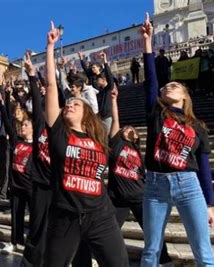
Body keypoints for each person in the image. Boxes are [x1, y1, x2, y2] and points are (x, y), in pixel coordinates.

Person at [43, 21, 128, 266]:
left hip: (101, 214)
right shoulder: (59, 132)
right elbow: (50, 87)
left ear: (87, 113)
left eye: (76, 103)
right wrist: (50, 47)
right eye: (67, 103)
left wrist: (113, 102)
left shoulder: (98, 137)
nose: (69, 103)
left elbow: (116, 128)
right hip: (66, 216)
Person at [139, 13, 214, 266]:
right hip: (155, 185)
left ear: (185, 95)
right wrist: (148, 42)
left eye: (174, 85)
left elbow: (204, 167)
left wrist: (209, 204)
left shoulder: (198, 127)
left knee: (203, 252)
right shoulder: (156, 112)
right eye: (166, 87)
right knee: (151, 250)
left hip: (188, 184)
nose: (167, 87)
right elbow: (152, 80)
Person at [109, 87, 172, 265]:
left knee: (152, 231)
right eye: (126, 127)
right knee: (108, 232)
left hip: (140, 197)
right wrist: (114, 100)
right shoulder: (116, 144)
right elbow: (115, 119)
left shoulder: (138, 152)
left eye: (132, 129)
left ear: (137, 137)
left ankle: (165, 260)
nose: (128, 128)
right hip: (117, 199)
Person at [21, 51, 54, 266]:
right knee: (36, 226)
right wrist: (32, 75)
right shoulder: (41, 126)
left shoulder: (61, 131)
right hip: (39, 184)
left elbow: (52, 92)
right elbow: (37, 98)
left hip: (58, 186)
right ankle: (31, 262)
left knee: (54, 228)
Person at [0, 90, 34, 255]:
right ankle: (14, 241)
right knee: (15, 216)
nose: (22, 127)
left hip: (31, 187)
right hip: (16, 186)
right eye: (22, 125)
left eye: (26, 125)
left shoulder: (39, 145)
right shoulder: (16, 140)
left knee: (34, 217)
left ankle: (32, 243)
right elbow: (7, 121)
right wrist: (0, 103)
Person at [95, 51, 115, 134]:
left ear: (103, 80)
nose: (96, 82)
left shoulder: (109, 88)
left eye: (98, 80)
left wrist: (105, 61)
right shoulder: (100, 92)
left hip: (108, 117)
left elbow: (109, 76)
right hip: (100, 117)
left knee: (106, 136)